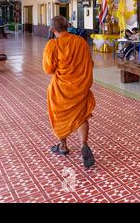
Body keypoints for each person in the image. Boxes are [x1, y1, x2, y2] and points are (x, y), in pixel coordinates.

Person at [43, 16, 96, 168]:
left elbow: (48, 69)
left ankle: (63, 146)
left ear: (53, 30)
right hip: (80, 86)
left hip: (61, 87)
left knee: (59, 115)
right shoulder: (81, 41)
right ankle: (84, 144)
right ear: (67, 26)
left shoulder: (52, 45)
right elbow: (89, 63)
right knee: (81, 116)